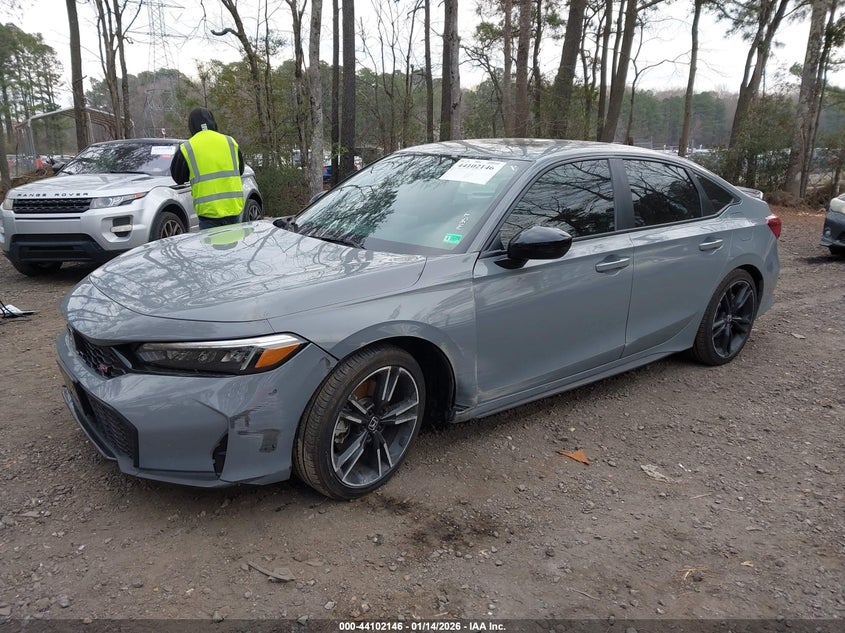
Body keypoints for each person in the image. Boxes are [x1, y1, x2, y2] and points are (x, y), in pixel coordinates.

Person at [170, 107, 246, 230]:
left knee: (211, 249)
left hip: (208, 213)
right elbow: (240, 170)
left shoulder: (187, 147)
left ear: (192, 125)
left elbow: (178, 178)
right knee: (235, 247)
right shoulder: (230, 142)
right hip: (233, 208)